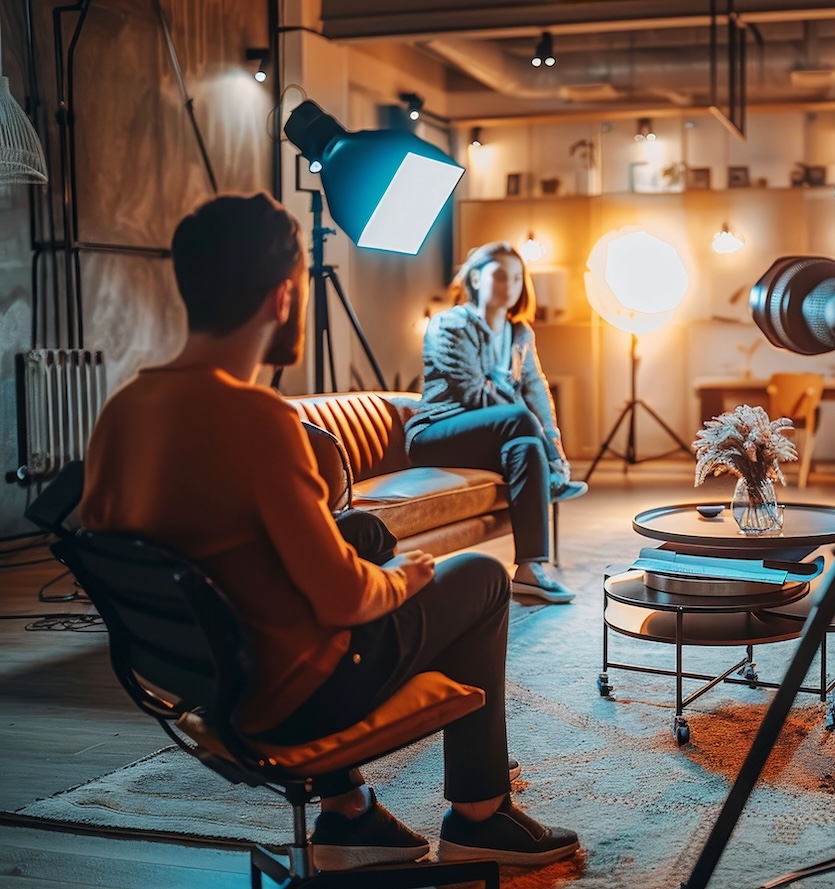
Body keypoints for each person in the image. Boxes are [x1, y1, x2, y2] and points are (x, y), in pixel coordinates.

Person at [79, 194, 579, 871]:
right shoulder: (258, 417)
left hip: (200, 682)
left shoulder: (123, 410)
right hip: (295, 695)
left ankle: (349, 814)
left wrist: (371, 555)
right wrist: (410, 575)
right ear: (285, 296)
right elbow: (347, 602)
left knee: (364, 530)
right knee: (482, 577)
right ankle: (480, 815)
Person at [405, 241, 586, 604]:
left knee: (526, 444)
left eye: (517, 277)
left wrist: (557, 454)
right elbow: (472, 392)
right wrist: (522, 415)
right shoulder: (450, 324)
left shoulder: (520, 333)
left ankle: (530, 571)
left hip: (494, 437)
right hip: (438, 432)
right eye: (500, 275)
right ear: (475, 277)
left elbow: (537, 392)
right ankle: (551, 481)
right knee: (518, 420)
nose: (511, 284)